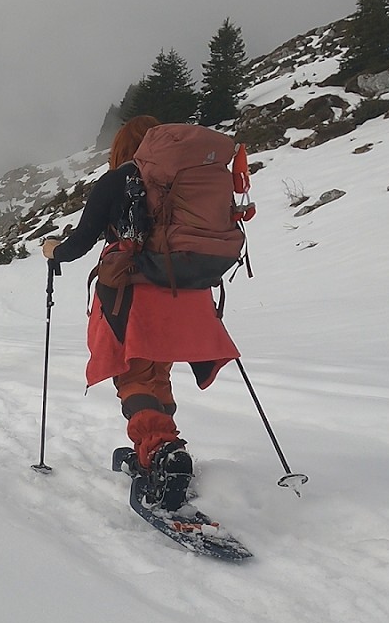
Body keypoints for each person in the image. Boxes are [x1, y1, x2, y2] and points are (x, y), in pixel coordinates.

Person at [41, 116, 240, 512]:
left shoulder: (119, 180)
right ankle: (164, 446)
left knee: (133, 375)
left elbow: (80, 241)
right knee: (156, 372)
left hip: (136, 292)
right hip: (185, 290)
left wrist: (53, 251)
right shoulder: (182, 179)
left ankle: (162, 450)